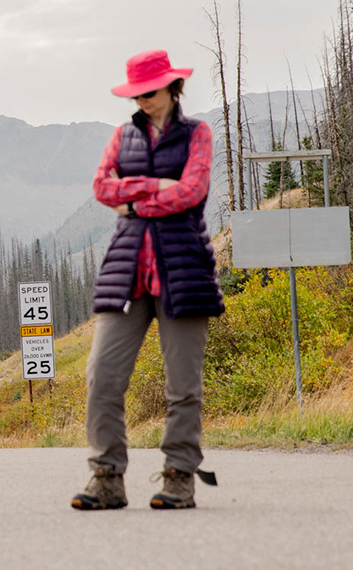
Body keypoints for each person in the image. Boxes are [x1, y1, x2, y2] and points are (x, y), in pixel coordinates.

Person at [71, 49, 224, 511]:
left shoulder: (198, 134)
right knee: (101, 376)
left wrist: (133, 201)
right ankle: (107, 478)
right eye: (135, 94)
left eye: (149, 91)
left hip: (184, 270)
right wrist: (157, 187)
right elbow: (102, 187)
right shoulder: (122, 136)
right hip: (127, 271)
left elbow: (192, 191)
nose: (142, 100)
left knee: (183, 386)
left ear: (173, 88)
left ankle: (179, 477)